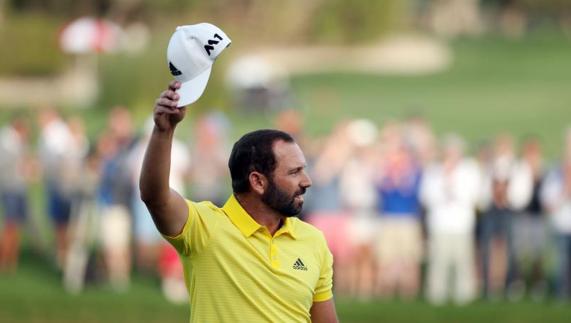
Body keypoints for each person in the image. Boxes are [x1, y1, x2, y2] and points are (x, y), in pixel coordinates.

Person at [139, 81, 339, 323]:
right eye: (294, 172)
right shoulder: (204, 228)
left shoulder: (313, 241)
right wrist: (164, 131)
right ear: (258, 182)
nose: (307, 181)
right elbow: (155, 197)